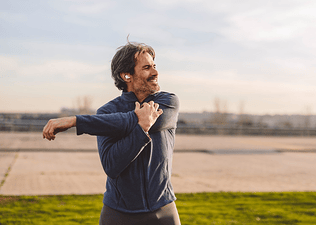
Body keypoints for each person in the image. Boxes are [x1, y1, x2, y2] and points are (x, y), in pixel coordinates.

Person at [43, 42, 181, 225]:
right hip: (117, 215)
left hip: (163, 212)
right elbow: (112, 165)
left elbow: (142, 121)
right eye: (147, 68)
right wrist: (141, 127)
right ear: (126, 76)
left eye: (154, 66)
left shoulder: (167, 102)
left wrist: (78, 121)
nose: (155, 72)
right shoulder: (106, 113)